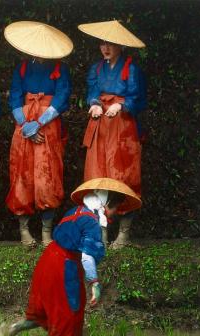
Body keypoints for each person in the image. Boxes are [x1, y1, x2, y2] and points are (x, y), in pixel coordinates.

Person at [0, 178, 141, 336]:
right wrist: (94, 283)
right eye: (115, 208)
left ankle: (11, 329)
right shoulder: (92, 222)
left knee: (46, 310)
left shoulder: (75, 211)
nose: (115, 213)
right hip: (64, 267)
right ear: (106, 204)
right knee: (71, 311)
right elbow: (86, 257)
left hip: (47, 260)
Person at [78, 20, 147, 248]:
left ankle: (124, 234)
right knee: (98, 174)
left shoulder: (131, 68)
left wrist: (123, 104)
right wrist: (95, 103)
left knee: (124, 175)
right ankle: (101, 232)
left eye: (110, 44)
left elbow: (138, 98)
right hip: (101, 126)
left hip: (123, 128)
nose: (105, 48)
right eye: (102, 43)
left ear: (120, 46)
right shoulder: (97, 68)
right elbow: (92, 91)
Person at [3, 21, 73, 247]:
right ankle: (24, 230)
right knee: (22, 175)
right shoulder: (22, 67)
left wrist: (40, 122)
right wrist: (25, 125)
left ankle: (46, 232)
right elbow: (14, 95)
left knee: (48, 178)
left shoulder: (60, 69)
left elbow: (62, 98)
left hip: (49, 127)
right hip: (23, 125)